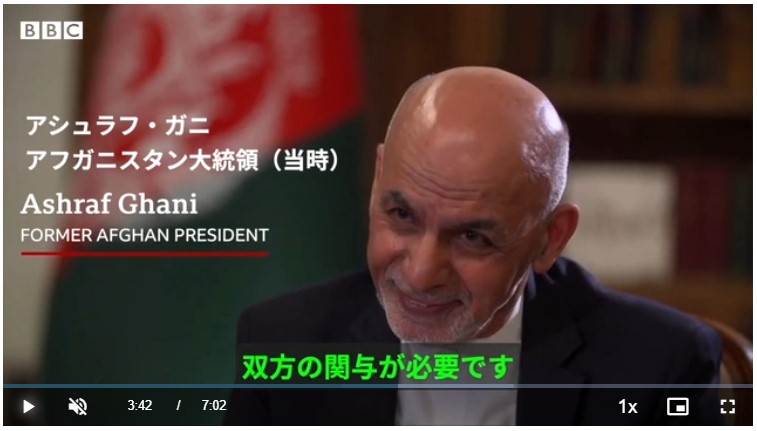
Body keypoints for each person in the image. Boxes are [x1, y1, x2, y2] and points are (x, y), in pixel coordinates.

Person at [224, 67, 723, 425]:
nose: (420, 275)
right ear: (378, 182)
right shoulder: (286, 341)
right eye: (402, 216)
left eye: (472, 238)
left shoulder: (659, 368)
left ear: (551, 238)